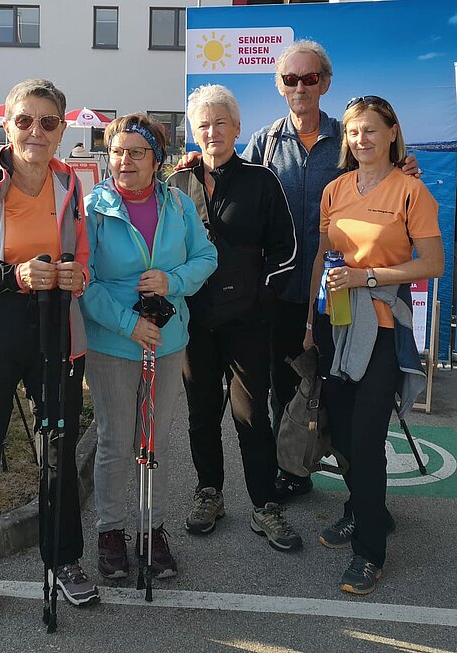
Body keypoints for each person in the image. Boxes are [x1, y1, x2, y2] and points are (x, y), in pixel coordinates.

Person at [0, 79, 99, 626]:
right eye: (24, 120)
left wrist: (78, 276)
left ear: (61, 130)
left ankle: (65, 559)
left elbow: (82, 256)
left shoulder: (70, 182)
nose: (36, 131)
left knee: (59, 450)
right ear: (6, 126)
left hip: (55, 325)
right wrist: (13, 275)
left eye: (48, 122)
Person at [243, 40, 419, 500]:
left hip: (344, 296)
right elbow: (238, 190)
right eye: (291, 79)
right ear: (281, 86)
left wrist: (406, 170)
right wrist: (197, 166)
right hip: (282, 294)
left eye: (310, 78)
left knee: (346, 397)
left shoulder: (350, 139)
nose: (300, 87)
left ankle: (361, 498)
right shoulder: (264, 142)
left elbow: (389, 181)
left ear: (325, 83)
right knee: (286, 391)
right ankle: (294, 472)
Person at [304, 96, 443, 594]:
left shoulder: (411, 191)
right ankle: (364, 510)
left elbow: (432, 264)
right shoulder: (335, 189)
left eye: (370, 130)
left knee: (365, 440)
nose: (361, 139)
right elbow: (322, 258)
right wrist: (310, 322)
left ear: (391, 133)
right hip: (335, 325)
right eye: (353, 131)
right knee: (342, 437)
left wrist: (368, 277)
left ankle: (369, 551)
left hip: (382, 330)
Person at [80, 113, 217, 580]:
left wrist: (172, 281)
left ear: (157, 159)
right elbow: (85, 280)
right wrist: (128, 324)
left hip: (168, 342)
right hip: (112, 344)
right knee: (116, 442)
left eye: (137, 152)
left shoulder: (178, 204)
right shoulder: (93, 209)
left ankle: (151, 529)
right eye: (117, 152)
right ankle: (110, 531)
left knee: (153, 442)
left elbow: (206, 256)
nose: (125, 161)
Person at [167, 85, 301, 552]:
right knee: (202, 412)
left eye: (220, 122)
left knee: (251, 416)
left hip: (248, 323)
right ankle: (209, 493)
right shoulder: (177, 185)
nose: (212, 132)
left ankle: (264, 504)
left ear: (237, 128)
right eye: (203, 124)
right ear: (193, 131)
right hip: (194, 323)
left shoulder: (262, 181)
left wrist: (261, 294)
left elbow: (287, 249)